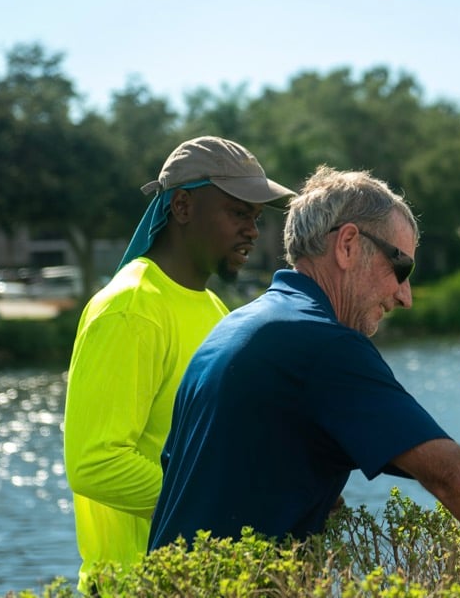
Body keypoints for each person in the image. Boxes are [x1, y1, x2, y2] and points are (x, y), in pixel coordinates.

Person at [148, 165, 460, 595]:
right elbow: (452, 475)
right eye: (401, 268)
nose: (405, 295)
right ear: (348, 245)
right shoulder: (320, 342)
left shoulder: (237, 328)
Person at [63, 136, 295, 590]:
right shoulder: (130, 309)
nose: (253, 230)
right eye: (238, 212)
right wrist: (225, 503)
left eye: (257, 217)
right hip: (135, 585)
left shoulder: (215, 310)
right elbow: (95, 463)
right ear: (184, 207)